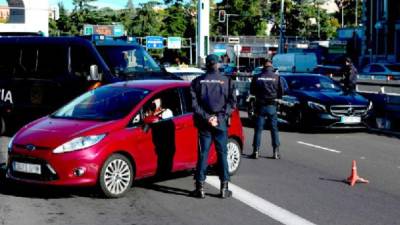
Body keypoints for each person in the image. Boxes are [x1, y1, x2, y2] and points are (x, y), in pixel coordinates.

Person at [190, 54, 236, 199]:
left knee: (203, 153)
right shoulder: (227, 81)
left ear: (206, 65)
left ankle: (200, 187)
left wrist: (208, 117)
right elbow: (232, 103)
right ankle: (224, 187)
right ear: (217, 64)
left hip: (204, 123)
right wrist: (220, 117)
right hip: (220, 123)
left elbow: (194, 105)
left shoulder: (197, 81)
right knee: (222, 154)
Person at [250, 58, 284, 160]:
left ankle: (256, 151)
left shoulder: (257, 77)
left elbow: (252, 91)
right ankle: (276, 152)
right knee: (274, 129)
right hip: (272, 106)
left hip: (260, 106)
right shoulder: (277, 78)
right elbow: (281, 93)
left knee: (258, 130)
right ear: (271, 66)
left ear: (263, 66)